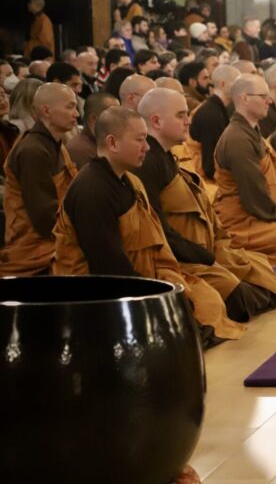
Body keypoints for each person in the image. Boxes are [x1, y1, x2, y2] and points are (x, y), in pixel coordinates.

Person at [53, 107, 243, 345]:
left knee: (212, 298)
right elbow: (109, 270)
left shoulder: (128, 180)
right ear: (112, 143)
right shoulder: (92, 190)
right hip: (107, 296)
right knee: (195, 312)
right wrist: (157, 292)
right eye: (140, 140)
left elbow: (154, 239)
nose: (147, 147)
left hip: (145, 274)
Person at [136, 88, 276, 322]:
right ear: (156, 121)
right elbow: (156, 229)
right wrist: (203, 254)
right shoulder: (148, 164)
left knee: (258, 268)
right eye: (181, 115)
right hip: (183, 259)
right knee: (240, 294)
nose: (188, 121)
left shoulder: (166, 156)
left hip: (207, 246)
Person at [213, 74, 276, 267]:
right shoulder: (237, 139)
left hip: (266, 214)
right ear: (244, 98)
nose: (269, 101)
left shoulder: (252, 133)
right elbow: (254, 197)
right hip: (244, 222)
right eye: (263, 96)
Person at [0, 83, 79, 276]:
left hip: (56, 239)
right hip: (36, 250)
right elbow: (45, 217)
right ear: (46, 111)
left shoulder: (57, 146)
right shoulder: (32, 151)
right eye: (70, 107)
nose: (76, 114)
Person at [182, 63, 241, 194]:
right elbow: (210, 167)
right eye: (237, 83)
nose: (241, 88)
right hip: (208, 184)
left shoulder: (219, 109)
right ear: (223, 84)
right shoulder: (210, 114)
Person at [67, 91, 118, 168]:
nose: (119, 120)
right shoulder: (79, 150)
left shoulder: (104, 143)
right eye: (114, 115)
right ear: (94, 119)